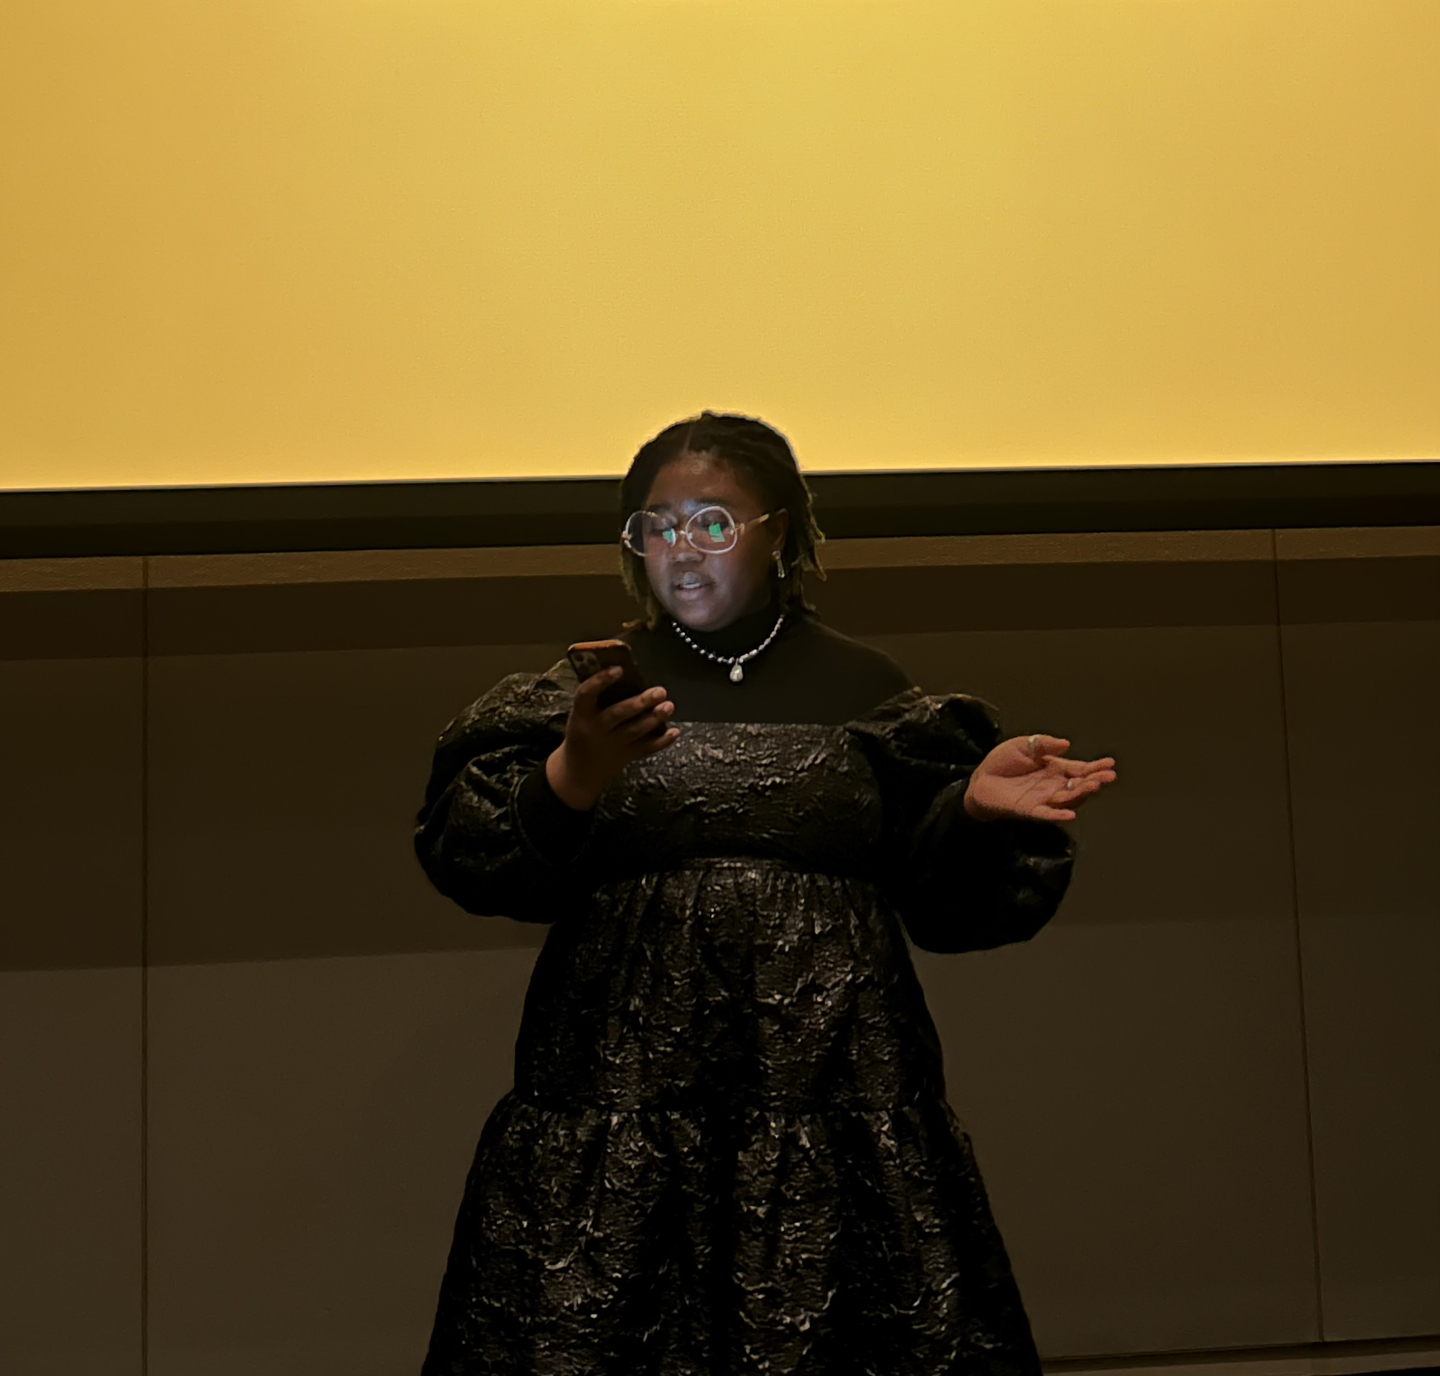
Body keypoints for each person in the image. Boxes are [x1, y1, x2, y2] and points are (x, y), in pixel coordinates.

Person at [415, 412, 1117, 1376]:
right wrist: (577, 768)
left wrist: (971, 811)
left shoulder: (870, 690)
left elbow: (945, 901)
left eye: (713, 523)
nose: (681, 551)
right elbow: (478, 863)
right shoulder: (584, 701)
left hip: (836, 1115)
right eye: (655, 528)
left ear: (777, 533)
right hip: (619, 1128)